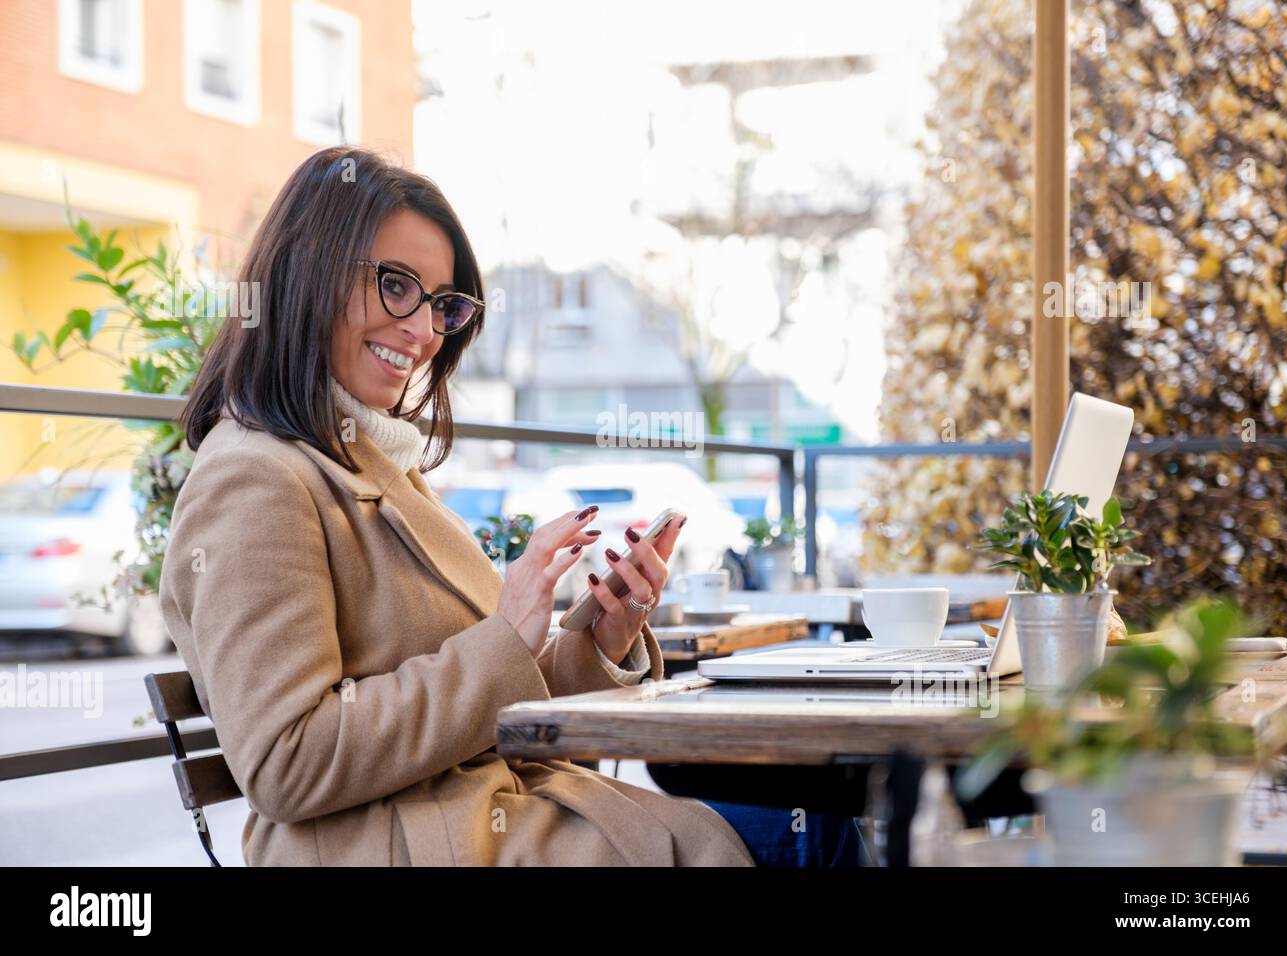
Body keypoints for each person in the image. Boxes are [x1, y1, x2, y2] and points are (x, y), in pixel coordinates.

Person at [159, 145, 859, 866]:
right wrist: (504, 639)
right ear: (306, 272)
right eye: (395, 284)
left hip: (476, 822)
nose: (426, 330)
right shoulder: (254, 481)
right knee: (817, 835)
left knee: (819, 822)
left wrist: (598, 637)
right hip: (402, 845)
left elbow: (483, 700)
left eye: (442, 305)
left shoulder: (361, 461)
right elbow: (287, 761)